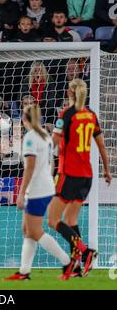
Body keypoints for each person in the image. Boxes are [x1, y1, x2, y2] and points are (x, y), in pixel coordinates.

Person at [47, 79, 112, 277]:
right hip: (87, 176)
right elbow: (101, 145)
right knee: (71, 219)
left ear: (69, 92)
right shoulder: (91, 115)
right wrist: (107, 171)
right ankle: (76, 265)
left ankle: (86, 252)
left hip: (69, 174)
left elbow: (54, 143)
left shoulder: (66, 113)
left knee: (53, 220)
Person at [5, 104, 75, 281]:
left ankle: (67, 261)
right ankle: (24, 271)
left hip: (36, 189)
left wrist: (21, 194)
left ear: (24, 119)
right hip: (44, 187)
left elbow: (29, 168)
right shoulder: (46, 136)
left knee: (34, 231)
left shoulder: (30, 138)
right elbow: (50, 163)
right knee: (27, 230)